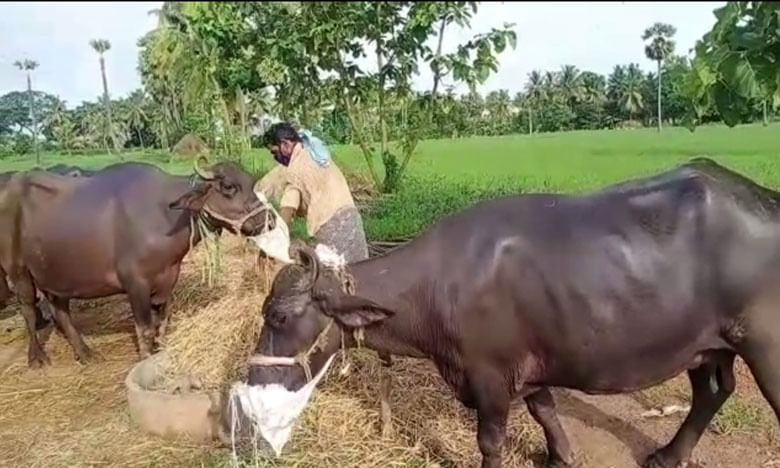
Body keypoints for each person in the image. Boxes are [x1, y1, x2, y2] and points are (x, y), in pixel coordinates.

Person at [255, 122, 369, 264]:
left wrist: (274, 242)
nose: (275, 157)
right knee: (361, 269)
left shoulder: (294, 170)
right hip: (352, 218)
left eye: (274, 152)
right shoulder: (314, 152)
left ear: (285, 145)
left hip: (330, 226)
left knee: (332, 275)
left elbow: (288, 209)